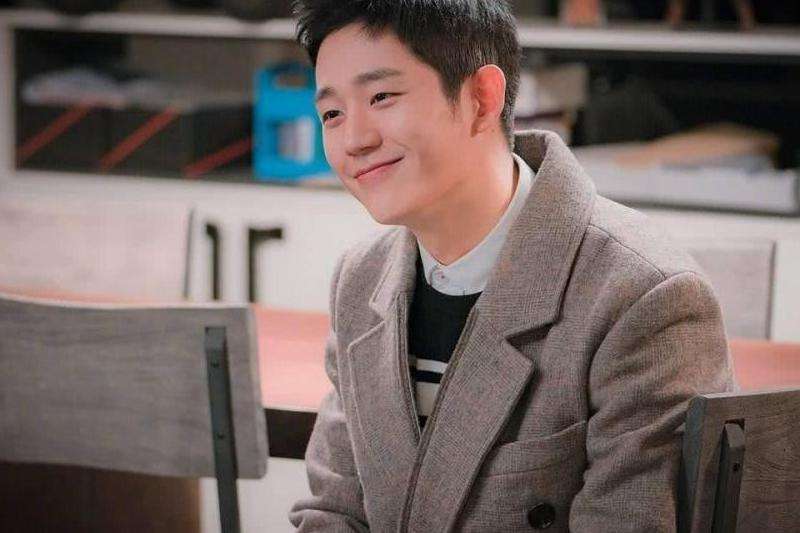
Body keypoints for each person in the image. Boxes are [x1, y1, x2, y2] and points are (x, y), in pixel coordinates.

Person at [288, 1, 736, 531]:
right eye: (333, 114)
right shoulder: (360, 278)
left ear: (482, 98)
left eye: (381, 97)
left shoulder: (642, 297)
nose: (355, 140)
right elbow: (334, 510)